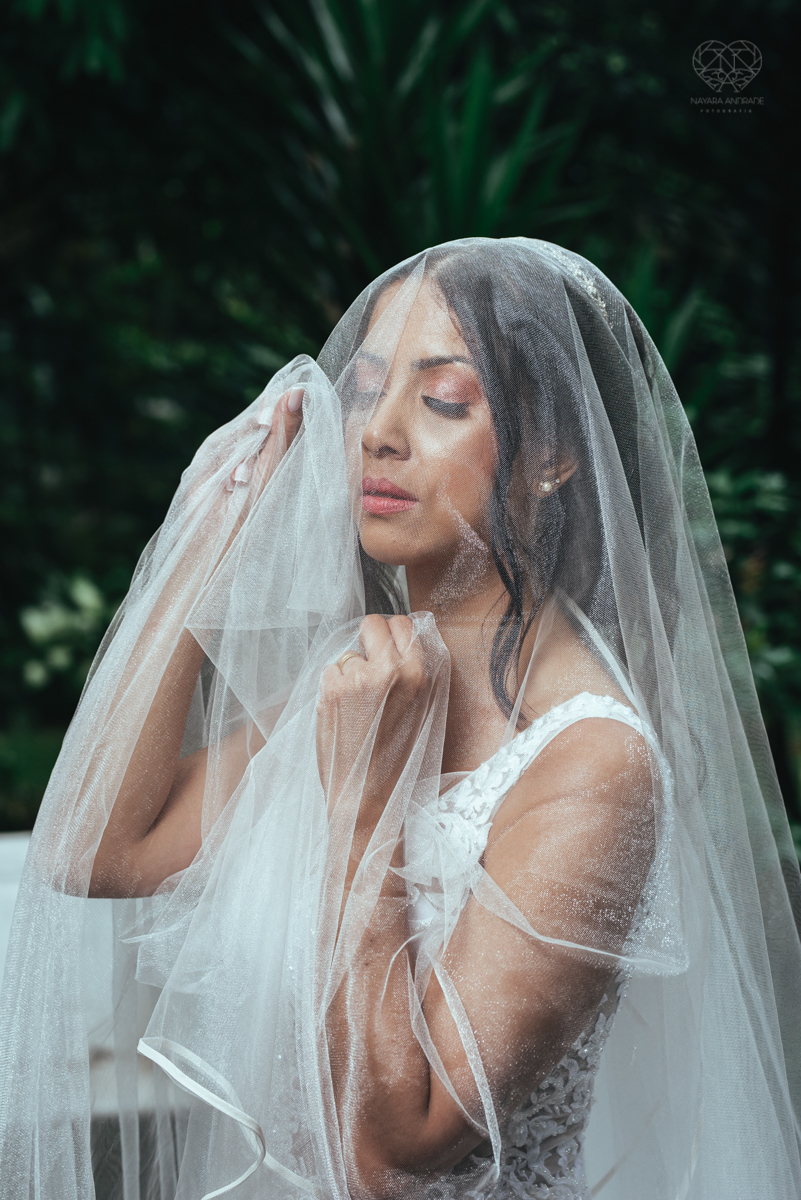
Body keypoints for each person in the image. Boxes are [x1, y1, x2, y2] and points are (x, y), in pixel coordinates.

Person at [0, 238, 799, 1200]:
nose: (377, 430)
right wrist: (201, 545)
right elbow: (95, 852)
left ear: (551, 458)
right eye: (365, 388)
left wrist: (364, 799)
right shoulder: (359, 683)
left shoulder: (590, 762)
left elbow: (391, 1151)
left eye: (443, 400)